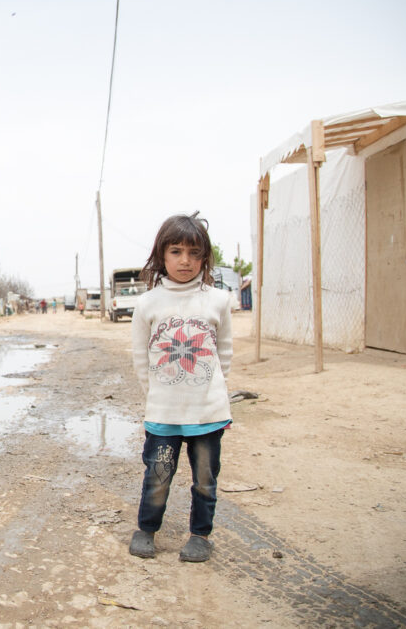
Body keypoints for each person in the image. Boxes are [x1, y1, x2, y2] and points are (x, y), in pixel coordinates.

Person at [127, 212, 232, 563]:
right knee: (158, 475)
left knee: (205, 478)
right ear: (162, 255)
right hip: (164, 413)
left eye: (194, 252)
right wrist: (158, 397)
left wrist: (213, 392)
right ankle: (146, 529)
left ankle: (200, 535)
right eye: (176, 251)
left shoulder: (218, 300)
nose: (185, 260)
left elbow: (224, 354)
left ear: (204, 257)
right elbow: (141, 359)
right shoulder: (147, 303)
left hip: (207, 414)